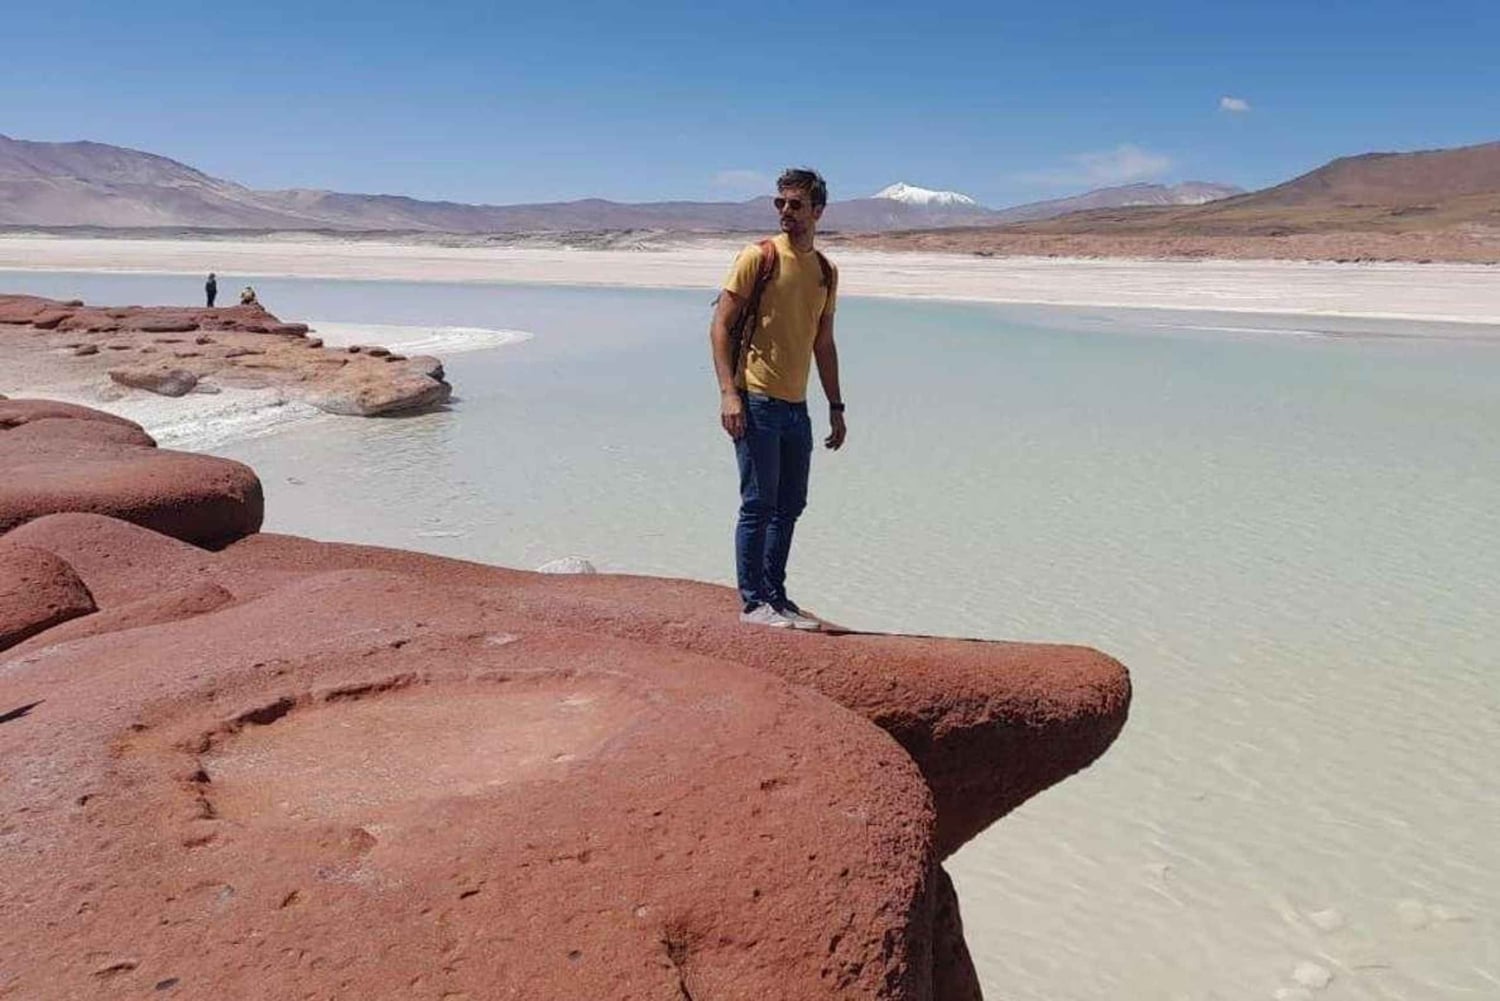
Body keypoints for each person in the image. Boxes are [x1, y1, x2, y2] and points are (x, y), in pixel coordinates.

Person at [709, 167, 845, 630]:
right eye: (780, 203)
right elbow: (720, 325)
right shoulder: (759, 257)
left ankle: (776, 597)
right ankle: (754, 604)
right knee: (758, 504)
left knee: (790, 505)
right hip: (757, 400)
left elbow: (823, 343)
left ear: (817, 211)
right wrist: (729, 393)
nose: (786, 211)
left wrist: (836, 406)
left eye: (796, 204)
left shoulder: (825, 271)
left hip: (796, 407)